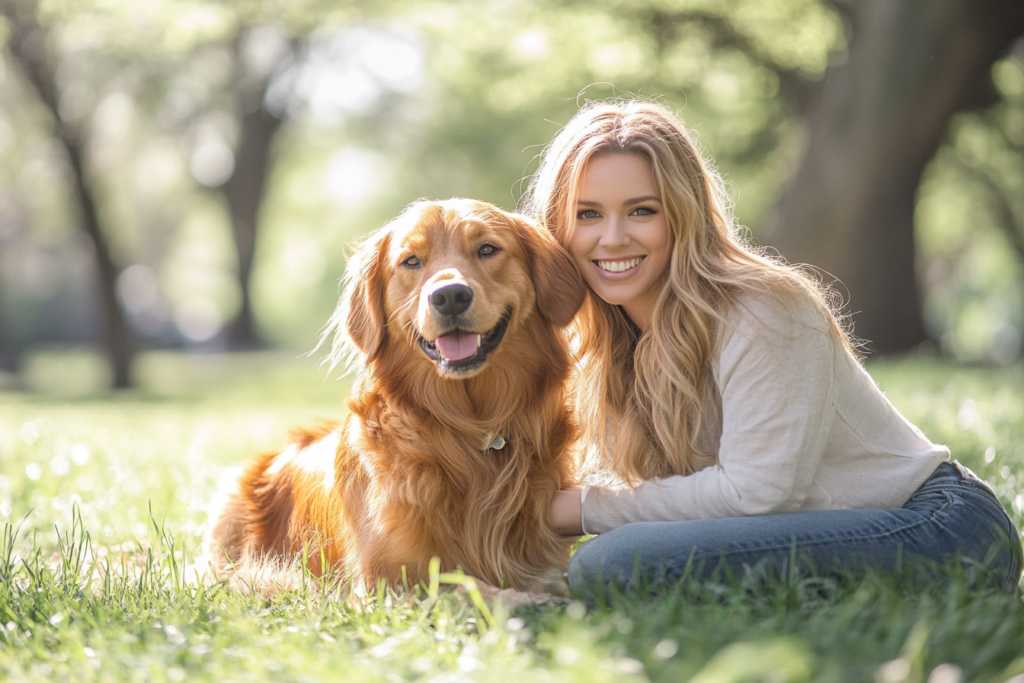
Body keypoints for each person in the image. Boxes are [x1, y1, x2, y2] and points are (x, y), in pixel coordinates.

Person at [521, 99, 1022, 594]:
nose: (612, 238)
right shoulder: (606, 346)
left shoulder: (762, 308)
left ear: (682, 214)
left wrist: (582, 508)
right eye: (587, 214)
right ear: (557, 227)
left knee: (612, 563)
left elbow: (757, 494)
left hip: (941, 529)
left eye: (641, 211)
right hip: (820, 531)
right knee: (615, 559)